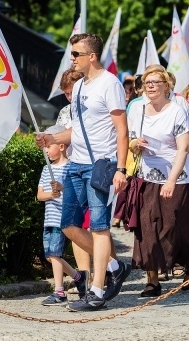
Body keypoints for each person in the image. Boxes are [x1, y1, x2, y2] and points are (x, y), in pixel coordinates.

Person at [35, 32, 130, 311]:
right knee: (69, 225)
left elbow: (121, 131)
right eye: (71, 53)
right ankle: (114, 266)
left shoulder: (109, 84)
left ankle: (98, 291)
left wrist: (121, 168)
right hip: (76, 163)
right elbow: (75, 129)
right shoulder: (77, 88)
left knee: (99, 227)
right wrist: (53, 139)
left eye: (76, 54)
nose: (72, 58)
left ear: (92, 56)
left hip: (101, 164)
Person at [126, 67, 189, 297]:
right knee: (147, 227)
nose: (150, 86)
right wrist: (135, 144)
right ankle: (152, 279)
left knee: (173, 226)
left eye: (155, 82)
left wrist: (171, 181)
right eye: (146, 82)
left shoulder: (177, 110)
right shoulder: (137, 109)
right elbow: (130, 141)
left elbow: (183, 148)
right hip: (146, 175)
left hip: (176, 176)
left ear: (166, 85)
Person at [36, 125, 89, 305]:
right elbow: (40, 195)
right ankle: (78, 276)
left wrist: (63, 188)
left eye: (49, 146)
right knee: (50, 256)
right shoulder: (46, 169)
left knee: (56, 254)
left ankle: (59, 291)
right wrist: (52, 194)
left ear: (61, 146)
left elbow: (76, 193)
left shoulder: (70, 169)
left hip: (62, 219)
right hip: (49, 218)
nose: (46, 150)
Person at [53, 68, 91, 269]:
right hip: (72, 170)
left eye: (72, 92)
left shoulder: (94, 108)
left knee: (95, 226)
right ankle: (85, 276)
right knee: (75, 225)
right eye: (66, 93)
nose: (69, 97)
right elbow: (58, 143)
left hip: (94, 170)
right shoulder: (65, 113)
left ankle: (109, 270)